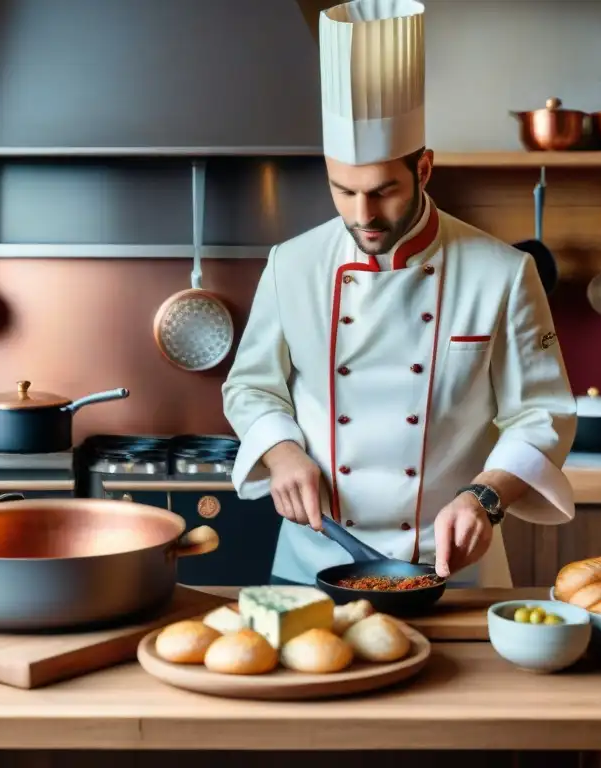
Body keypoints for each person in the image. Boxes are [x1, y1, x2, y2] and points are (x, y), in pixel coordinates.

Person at [221, 0, 577, 588]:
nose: (363, 215)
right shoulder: (292, 264)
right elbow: (252, 385)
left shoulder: (503, 273)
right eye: (343, 190)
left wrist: (487, 497)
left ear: (425, 168)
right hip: (315, 561)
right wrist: (281, 452)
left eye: (384, 191)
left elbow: (540, 415)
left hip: (451, 567)